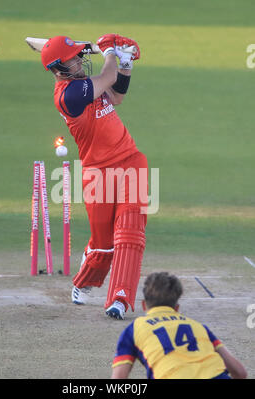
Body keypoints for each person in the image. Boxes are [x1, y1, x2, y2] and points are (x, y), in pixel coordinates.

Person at [41, 34, 148, 320]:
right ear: (59, 69)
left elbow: (117, 95)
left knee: (130, 232)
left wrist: (126, 64)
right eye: (74, 58)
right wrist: (111, 52)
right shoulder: (69, 95)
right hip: (97, 173)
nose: (80, 59)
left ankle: (120, 299)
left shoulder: (84, 85)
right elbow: (108, 74)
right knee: (104, 245)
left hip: (130, 161)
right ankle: (85, 280)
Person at [111, 272, 248, 379]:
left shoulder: (134, 329)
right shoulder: (198, 327)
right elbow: (240, 373)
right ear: (177, 308)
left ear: (143, 305)